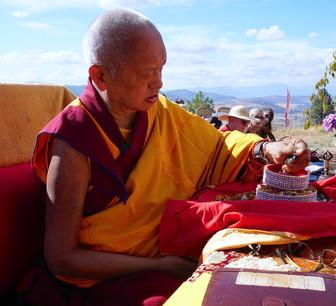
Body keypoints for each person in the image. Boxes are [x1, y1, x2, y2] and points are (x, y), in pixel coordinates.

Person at [28, 9, 310, 306]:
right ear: (100, 76)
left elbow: (217, 149)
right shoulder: (73, 141)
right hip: (109, 280)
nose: (159, 83)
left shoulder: (158, 112)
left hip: (174, 251)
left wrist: (265, 150)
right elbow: (61, 258)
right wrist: (157, 265)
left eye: (161, 69)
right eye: (146, 74)